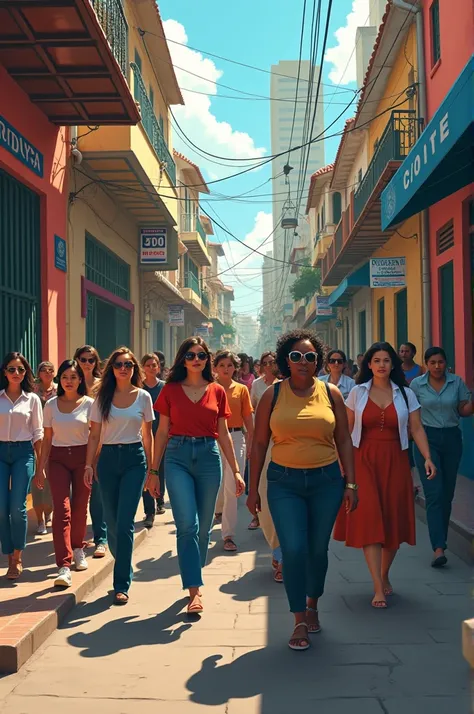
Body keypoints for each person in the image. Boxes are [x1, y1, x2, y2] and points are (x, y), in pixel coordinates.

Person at [248, 330, 357, 651]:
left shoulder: (331, 393)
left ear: (318, 361)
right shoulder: (273, 394)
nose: (303, 362)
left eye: (310, 356)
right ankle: (298, 619)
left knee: (316, 550)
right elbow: (257, 443)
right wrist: (252, 490)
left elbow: (344, 441)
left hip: (326, 482)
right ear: (286, 360)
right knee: (293, 549)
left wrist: (350, 482)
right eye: (296, 356)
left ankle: (313, 605)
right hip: (284, 483)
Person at [334, 342, 436, 609]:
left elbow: (416, 428)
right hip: (363, 459)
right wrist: (341, 464)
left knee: (392, 521)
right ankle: (378, 586)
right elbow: (345, 430)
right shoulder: (357, 392)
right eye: (376, 360)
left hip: (395, 460)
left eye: (386, 360)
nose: (381, 365)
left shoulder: (405, 394)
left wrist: (426, 457)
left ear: (393, 364)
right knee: (370, 518)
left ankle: (384, 573)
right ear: (369, 364)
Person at [148, 337, 245, 615]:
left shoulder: (217, 390)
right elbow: (162, 431)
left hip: (208, 456)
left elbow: (224, 432)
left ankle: (194, 570)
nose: (196, 359)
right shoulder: (170, 391)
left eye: (201, 355)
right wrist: (153, 471)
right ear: (183, 359)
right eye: (190, 355)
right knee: (187, 525)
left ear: (207, 359)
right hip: (177, 456)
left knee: (203, 527)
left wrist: (236, 471)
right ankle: (194, 589)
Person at [84, 348, 154, 605]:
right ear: (111, 369)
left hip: (135, 460)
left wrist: (152, 469)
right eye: (118, 364)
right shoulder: (101, 398)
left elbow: (148, 435)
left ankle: (121, 582)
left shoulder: (143, 397)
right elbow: (93, 436)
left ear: (134, 368)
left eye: (128, 364)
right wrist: (88, 465)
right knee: (110, 522)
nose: (123, 368)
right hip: (108, 460)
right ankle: (123, 558)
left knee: (125, 523)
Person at [411, 347, 472, 567]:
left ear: (446, 364)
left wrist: (471, 403)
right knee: (434, 493)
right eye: (433, 362)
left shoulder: (456, 382)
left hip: (452, 439)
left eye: (441, 362)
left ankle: (441, 539)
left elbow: (464, 410)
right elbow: (412, 416)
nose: (437, 366)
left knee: (447, 494)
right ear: (426, 364)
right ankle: (438, 548)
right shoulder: (417, 385)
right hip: (427, 440)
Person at [34, 360, 93, 588]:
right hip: (57, 459)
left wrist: (91, 464)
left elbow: (95, 437)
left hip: (82, 458)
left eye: (74, 377)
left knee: (80, 507)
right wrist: (40, 468)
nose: (69, 381)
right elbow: (47, 439)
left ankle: (78, 548)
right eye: (66, 377)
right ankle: (64, 564)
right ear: (60, 379)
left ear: (80, 380)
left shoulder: (89, 404)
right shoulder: (50, 405)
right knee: (62, 509)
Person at [0, 352, 43, 579]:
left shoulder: (32, 399)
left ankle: (17, 557)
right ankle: (8, 554)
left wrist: (41, 464)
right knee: (1, 507)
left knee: (17, 506)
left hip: (23, 452)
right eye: (11, 369)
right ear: (4, 372)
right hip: (0, 452)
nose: (16, 373)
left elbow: (38, 432)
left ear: (26, 372)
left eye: (20, 369)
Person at [213, 351, 253, 551]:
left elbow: (248, 419)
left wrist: (251, 443)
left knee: (232, 487)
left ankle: (228, 534)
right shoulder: (208, 389)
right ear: (215, 368)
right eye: (222, 365)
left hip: (236, 438)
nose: (226, 369)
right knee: (213, 485)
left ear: (235, 368)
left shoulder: (242, 390)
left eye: (229, 365)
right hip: (212, 439)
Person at [249, 351, 282, 578]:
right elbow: (252, 415)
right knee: (267, 503)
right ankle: (276, 549)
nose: (270, 366)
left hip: (286, 447)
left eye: (274, 362)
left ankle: (283, 558)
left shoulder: (287, 387)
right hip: (264, 445)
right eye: (266, 363)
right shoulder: (258, 386)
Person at [74, 345, 107, 559]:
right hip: (73, 443)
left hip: (98, 442)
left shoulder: (101, 386)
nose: (87, 364)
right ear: (76, 360)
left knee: (97, 493)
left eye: (91, 360)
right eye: (83, 359)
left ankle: (100, 538)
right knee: (76, 494)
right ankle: (76, 538)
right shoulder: (70, 381)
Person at [141, 353, 166, 528]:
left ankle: (160, 499)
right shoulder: (139, 388)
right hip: (143, 433)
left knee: (159, 467)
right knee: (147, 470)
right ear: (143, 367)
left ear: (159, 367)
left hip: (162, 432)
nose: (151, 367)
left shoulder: (164, 387)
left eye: (154, 364)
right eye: (148, 365)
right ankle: (149, 511)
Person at [32, 361, 56, 534]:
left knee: (52, 481)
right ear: (38, 373)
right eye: (44, 370)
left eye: (50, 370)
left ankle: (49, 512)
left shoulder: (59, 390)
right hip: (33, 440)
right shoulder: (32, 390)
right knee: (37, 479)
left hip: (55, 440)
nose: (47, 373)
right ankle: (40, 519)